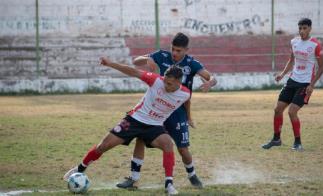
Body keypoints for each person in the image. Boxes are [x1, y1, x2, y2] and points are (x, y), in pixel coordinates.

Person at [64, 57, 192, 195]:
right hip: (134, 120)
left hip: (154, 125)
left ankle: (169, 184)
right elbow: (133, 71)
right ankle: (79, 169)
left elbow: (186, 101)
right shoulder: (156, 80)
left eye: (170, 84)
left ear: (179, 82)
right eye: (165, 82)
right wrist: (110, 64)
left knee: (168, 144)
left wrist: (189, 117)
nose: (166, 86)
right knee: (103, 146)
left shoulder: (185, 93)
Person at [117, 32, 217, 189]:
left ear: (186, 50)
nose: (175, 53)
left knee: (183, 148)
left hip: (177, 111)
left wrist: (209, 84)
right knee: (141, 139)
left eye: (179, 50)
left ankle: (192, 175)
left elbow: (210, 77)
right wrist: (147, 59)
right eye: (173, 49)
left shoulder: (191, 64)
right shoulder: (161, 55)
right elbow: (136, 61)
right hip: (157, 109)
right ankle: (133, 179)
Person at [262, 18, 323, 151]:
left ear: (310, 29)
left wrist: (312, 85)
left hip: (305, 84)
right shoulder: (294, 42)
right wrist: (282, 74)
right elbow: (291, 60)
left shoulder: (316, 45)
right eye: (300, 28)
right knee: (277, 109)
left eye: (305, 28)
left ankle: (297, 142)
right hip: (292, 81)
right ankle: (276, 139)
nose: (302, 31)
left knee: (292, 112)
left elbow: (321, 67)